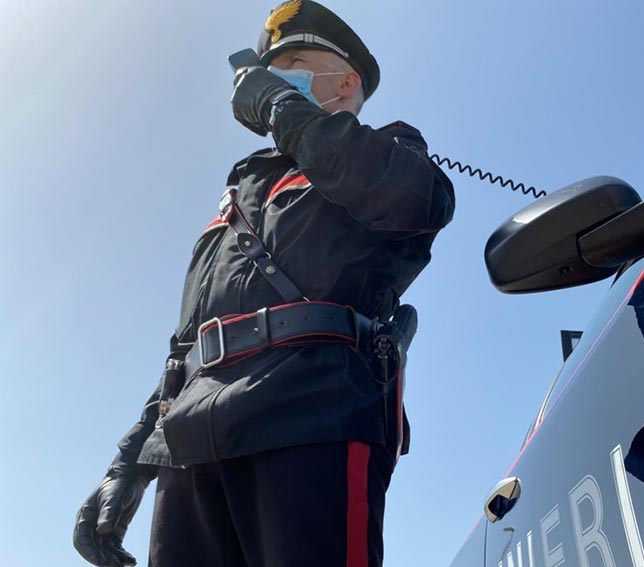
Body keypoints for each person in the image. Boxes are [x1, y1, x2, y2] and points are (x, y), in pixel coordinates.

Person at [73, 1, 455, 565]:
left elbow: (416, 201)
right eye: (269, 71)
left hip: (309, 415)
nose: (272, 77)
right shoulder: (237, 194)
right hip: (190, 444)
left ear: (346, 81)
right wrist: (128, 462)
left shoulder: (386, 152)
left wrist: (284, 108)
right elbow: (187, 345)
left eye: (294, 62)